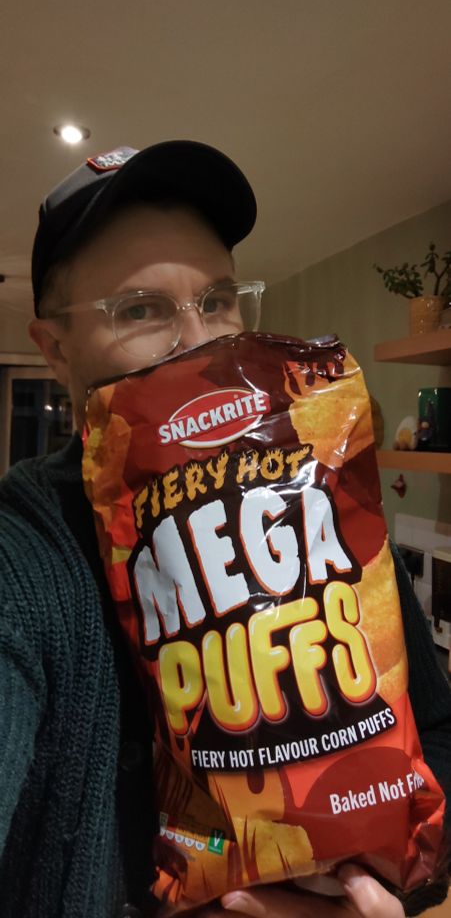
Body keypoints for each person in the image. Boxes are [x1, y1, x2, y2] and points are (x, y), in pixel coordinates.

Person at [0, 141, 449, 918]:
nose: (200, 341)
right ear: (56, 348)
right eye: (138, 309)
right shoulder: (23, 551)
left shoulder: (316, 489)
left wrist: (378, 884)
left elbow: (434, 732)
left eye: (216, 300)